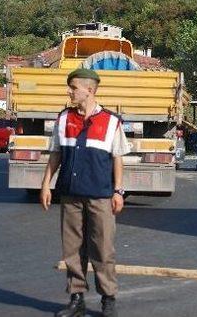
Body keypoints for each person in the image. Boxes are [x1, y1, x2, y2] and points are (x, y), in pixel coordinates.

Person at [40, 68, 129, 317]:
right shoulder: (64, 118)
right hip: (70, 194)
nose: (69, 92)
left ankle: (108, 300)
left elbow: (117, 158)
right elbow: (55, 154)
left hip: (100, 195)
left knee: (102, 249)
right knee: (72, 249)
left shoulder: (111, 121)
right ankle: (76, 298)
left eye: (73, 87)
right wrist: (46, 184)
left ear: (89, 90)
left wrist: (118, 191)